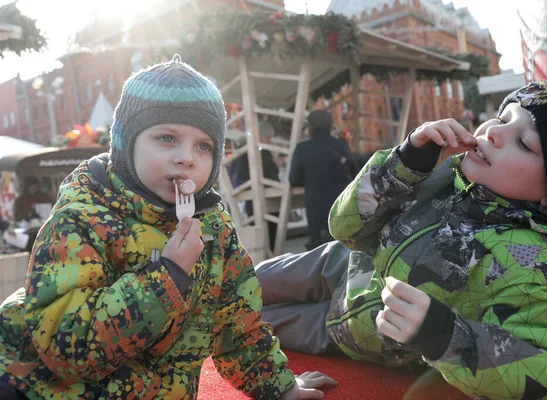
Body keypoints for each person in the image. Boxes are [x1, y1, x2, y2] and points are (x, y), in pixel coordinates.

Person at [0, 55, 336, 399]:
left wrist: (279, 387)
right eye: (166, 138)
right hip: (30, 384)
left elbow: (238, 323)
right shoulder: (82, 218)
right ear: (125, 144)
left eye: (203, 146)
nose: (186, 157)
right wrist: (167, 276)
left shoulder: (213, 228)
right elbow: (67, 351)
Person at [256, 80, 547, 398]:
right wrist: (403, 163)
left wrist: (446, 337)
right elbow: (343, 228)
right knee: (241, 284)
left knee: (242, 325)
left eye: (524, 143)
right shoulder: (444, 168)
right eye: (502, 117)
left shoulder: (528, 262)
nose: (494, 132)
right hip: (335, 263)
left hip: (347, 331)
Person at [289, 110, 358, 251]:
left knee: (320, 252)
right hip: (342, 205)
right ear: (330, 126)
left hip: (316, 207)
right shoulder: (341, 146)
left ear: (309, 128)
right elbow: (356, 173)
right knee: (346, 250)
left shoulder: (302, 149)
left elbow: (294, 179)